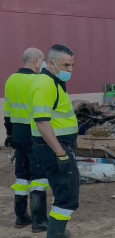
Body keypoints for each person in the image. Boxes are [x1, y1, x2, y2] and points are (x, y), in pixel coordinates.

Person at [29, 44, 79, 238]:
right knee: (67, 196)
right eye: (66, 65)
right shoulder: (45, 84)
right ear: (51, 63)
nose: (70, 70)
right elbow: (42, 122)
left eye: (72, 65)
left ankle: (58, 232)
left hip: (53, 147)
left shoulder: (53, 81)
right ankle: (55, 234)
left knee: (63, 193)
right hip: (54, 148)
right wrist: (60, 153)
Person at [3, 47, 49, 232]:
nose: (43, 63)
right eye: (43, 59)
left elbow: (7, 112)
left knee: (21, 176)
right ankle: (39, 222)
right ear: (36, 61)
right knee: (39, 177)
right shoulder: (38, 80)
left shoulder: (11, 80)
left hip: (18, 135)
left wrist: (10, 135)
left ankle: (21, 218)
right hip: (35, 134)